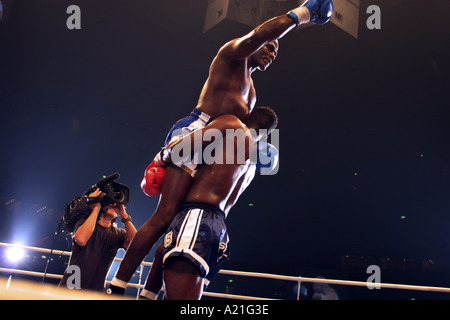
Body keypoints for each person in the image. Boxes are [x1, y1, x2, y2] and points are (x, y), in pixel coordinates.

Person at [108, 0, 333, 293]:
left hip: (212, 147)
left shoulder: (252, 92)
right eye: (269, 46)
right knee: (164, 216)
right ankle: (117, 284)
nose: (272, 53)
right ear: (258, 41)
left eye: (275, 51)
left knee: (178, 222)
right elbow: (258, 36)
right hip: (196, 132)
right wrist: (303, 14)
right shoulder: (231, 57)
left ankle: (149, 294)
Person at [140, 106, 278, 299]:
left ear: (246, 117)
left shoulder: (232, 125)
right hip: (218, 230)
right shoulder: (253, 161)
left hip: (196, 220)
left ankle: (119, 286)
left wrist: (161, 157)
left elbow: (181, 148)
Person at [59, 188, 137, 292]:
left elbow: (138, 247)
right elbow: (81, 239)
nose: (113, 204)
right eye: (109, 202)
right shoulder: (84, 223)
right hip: (70, 289)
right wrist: (96, 208)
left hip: (95, 292)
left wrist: (124, 216)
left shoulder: (118, 234)